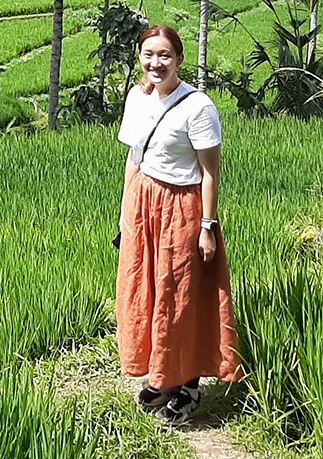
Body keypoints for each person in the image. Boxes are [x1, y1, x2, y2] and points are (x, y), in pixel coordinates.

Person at [115, 24, 242, 421]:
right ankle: (163, 375)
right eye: (149, 54)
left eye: (165, 55)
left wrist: (207, 225)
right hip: (144, 202)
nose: (156, 62)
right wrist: (125, 215)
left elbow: (210, 174)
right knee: (146, 289)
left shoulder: (198, 107)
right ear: (140, 58)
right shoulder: (137, 98)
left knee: (179, 295)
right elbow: (134, 158)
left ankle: (188, 387)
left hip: (182, 209)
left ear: (179, 59)